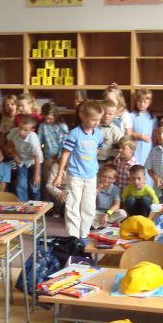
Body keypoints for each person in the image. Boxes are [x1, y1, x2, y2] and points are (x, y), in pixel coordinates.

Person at [54, 100, 104, 240]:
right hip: (75, 176)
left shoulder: (98, 134)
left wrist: (90, 161)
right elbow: (65, 154)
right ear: (83, 116)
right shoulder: (74, 133)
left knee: (88, 207)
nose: (97, 123)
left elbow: (98, 148)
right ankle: (73, 237)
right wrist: (59, 175)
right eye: (94, 119)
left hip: (91, 176)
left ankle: (83, 235)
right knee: (72, 206)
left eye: (99, 120)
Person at [7, 114, 43, 201]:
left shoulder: (33, 140)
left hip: (34, 162)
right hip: (21, 161)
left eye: (25, 130)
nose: (21, 132)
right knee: (20, 185)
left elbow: (37, 157)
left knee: (34, 186)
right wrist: (14, 154)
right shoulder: (14, 132)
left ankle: (36, 205)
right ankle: (23, 205)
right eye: (20, 128)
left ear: (32, 130)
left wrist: (37, 175)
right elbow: (9, 141)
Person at [38, 101, 69, 179]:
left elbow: (65, 142)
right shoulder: (42, 126)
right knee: (47, 176)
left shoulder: (62, 126)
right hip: (48, 155)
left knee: (59, 175)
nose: (47, 121)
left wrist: (60, 155)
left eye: (50, 118)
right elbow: (39, 141)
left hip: (60, 156)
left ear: (55, 115)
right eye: (45, 118)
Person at [92, 164, 127, 229]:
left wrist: (107, 214)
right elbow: (89, 202)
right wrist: (96, 191)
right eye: (104, 176)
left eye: (109, 178)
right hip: (97, 212)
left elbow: (117, 205)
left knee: (122, 213)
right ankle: (109, 225)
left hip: (110, 213)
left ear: (114, 179)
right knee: (86, 213)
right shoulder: (95, 186)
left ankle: (99, 224)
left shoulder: (115, 189)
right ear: (99, 176)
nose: (106, 179)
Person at [130, 88, 156, 170]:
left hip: (148, 149)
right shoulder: (131, 116)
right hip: (135, 148)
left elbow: (154, 135)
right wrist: (141, 136)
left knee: (147, 169)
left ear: (149, 102)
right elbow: (128, 132)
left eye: (145, 102)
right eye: (140, 101)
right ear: (136, 101)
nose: (142, 104)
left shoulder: (152, 117)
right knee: (135, 169)